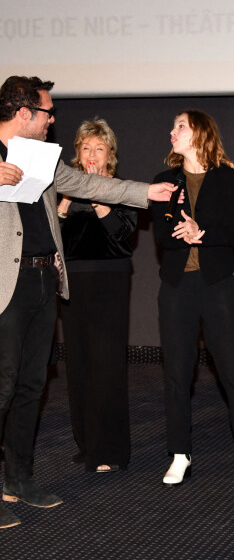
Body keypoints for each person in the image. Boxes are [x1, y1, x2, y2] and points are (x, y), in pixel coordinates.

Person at [0, 75, 177, 530]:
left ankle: (18, 479)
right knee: (1, 386)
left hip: (43, 281)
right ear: (23, 113)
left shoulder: (42, 156)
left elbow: (91, 186)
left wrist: (145, 193)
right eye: (46, 112)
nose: (52, 119)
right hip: (5, 285)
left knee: (29, 387)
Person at [150, 109, 234, 487]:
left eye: (180, 125)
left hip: (218, 284)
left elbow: (233, 231)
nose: (172, 131)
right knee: (177, 372)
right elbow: (163, 236)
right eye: (173, 125)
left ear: (199, 133)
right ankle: (180, 454)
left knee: (232, 366)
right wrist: (183, 229)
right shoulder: (164, 181)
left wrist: (202, 230)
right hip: (177, 287)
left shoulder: (228, 177)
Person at [57, 118, 135, 473]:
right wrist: (66, 202)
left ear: (109, 155)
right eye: (86, 148)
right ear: (77, 153)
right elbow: (51, 236)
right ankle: (86, 443)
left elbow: (124, 239)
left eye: (98, 148)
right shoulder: (65, 192)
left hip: (109, 283)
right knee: (79, 363)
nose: (91, 155)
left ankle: (110, 449)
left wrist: (100, 198)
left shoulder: (121, 189)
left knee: (106, 364)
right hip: (73, 283)